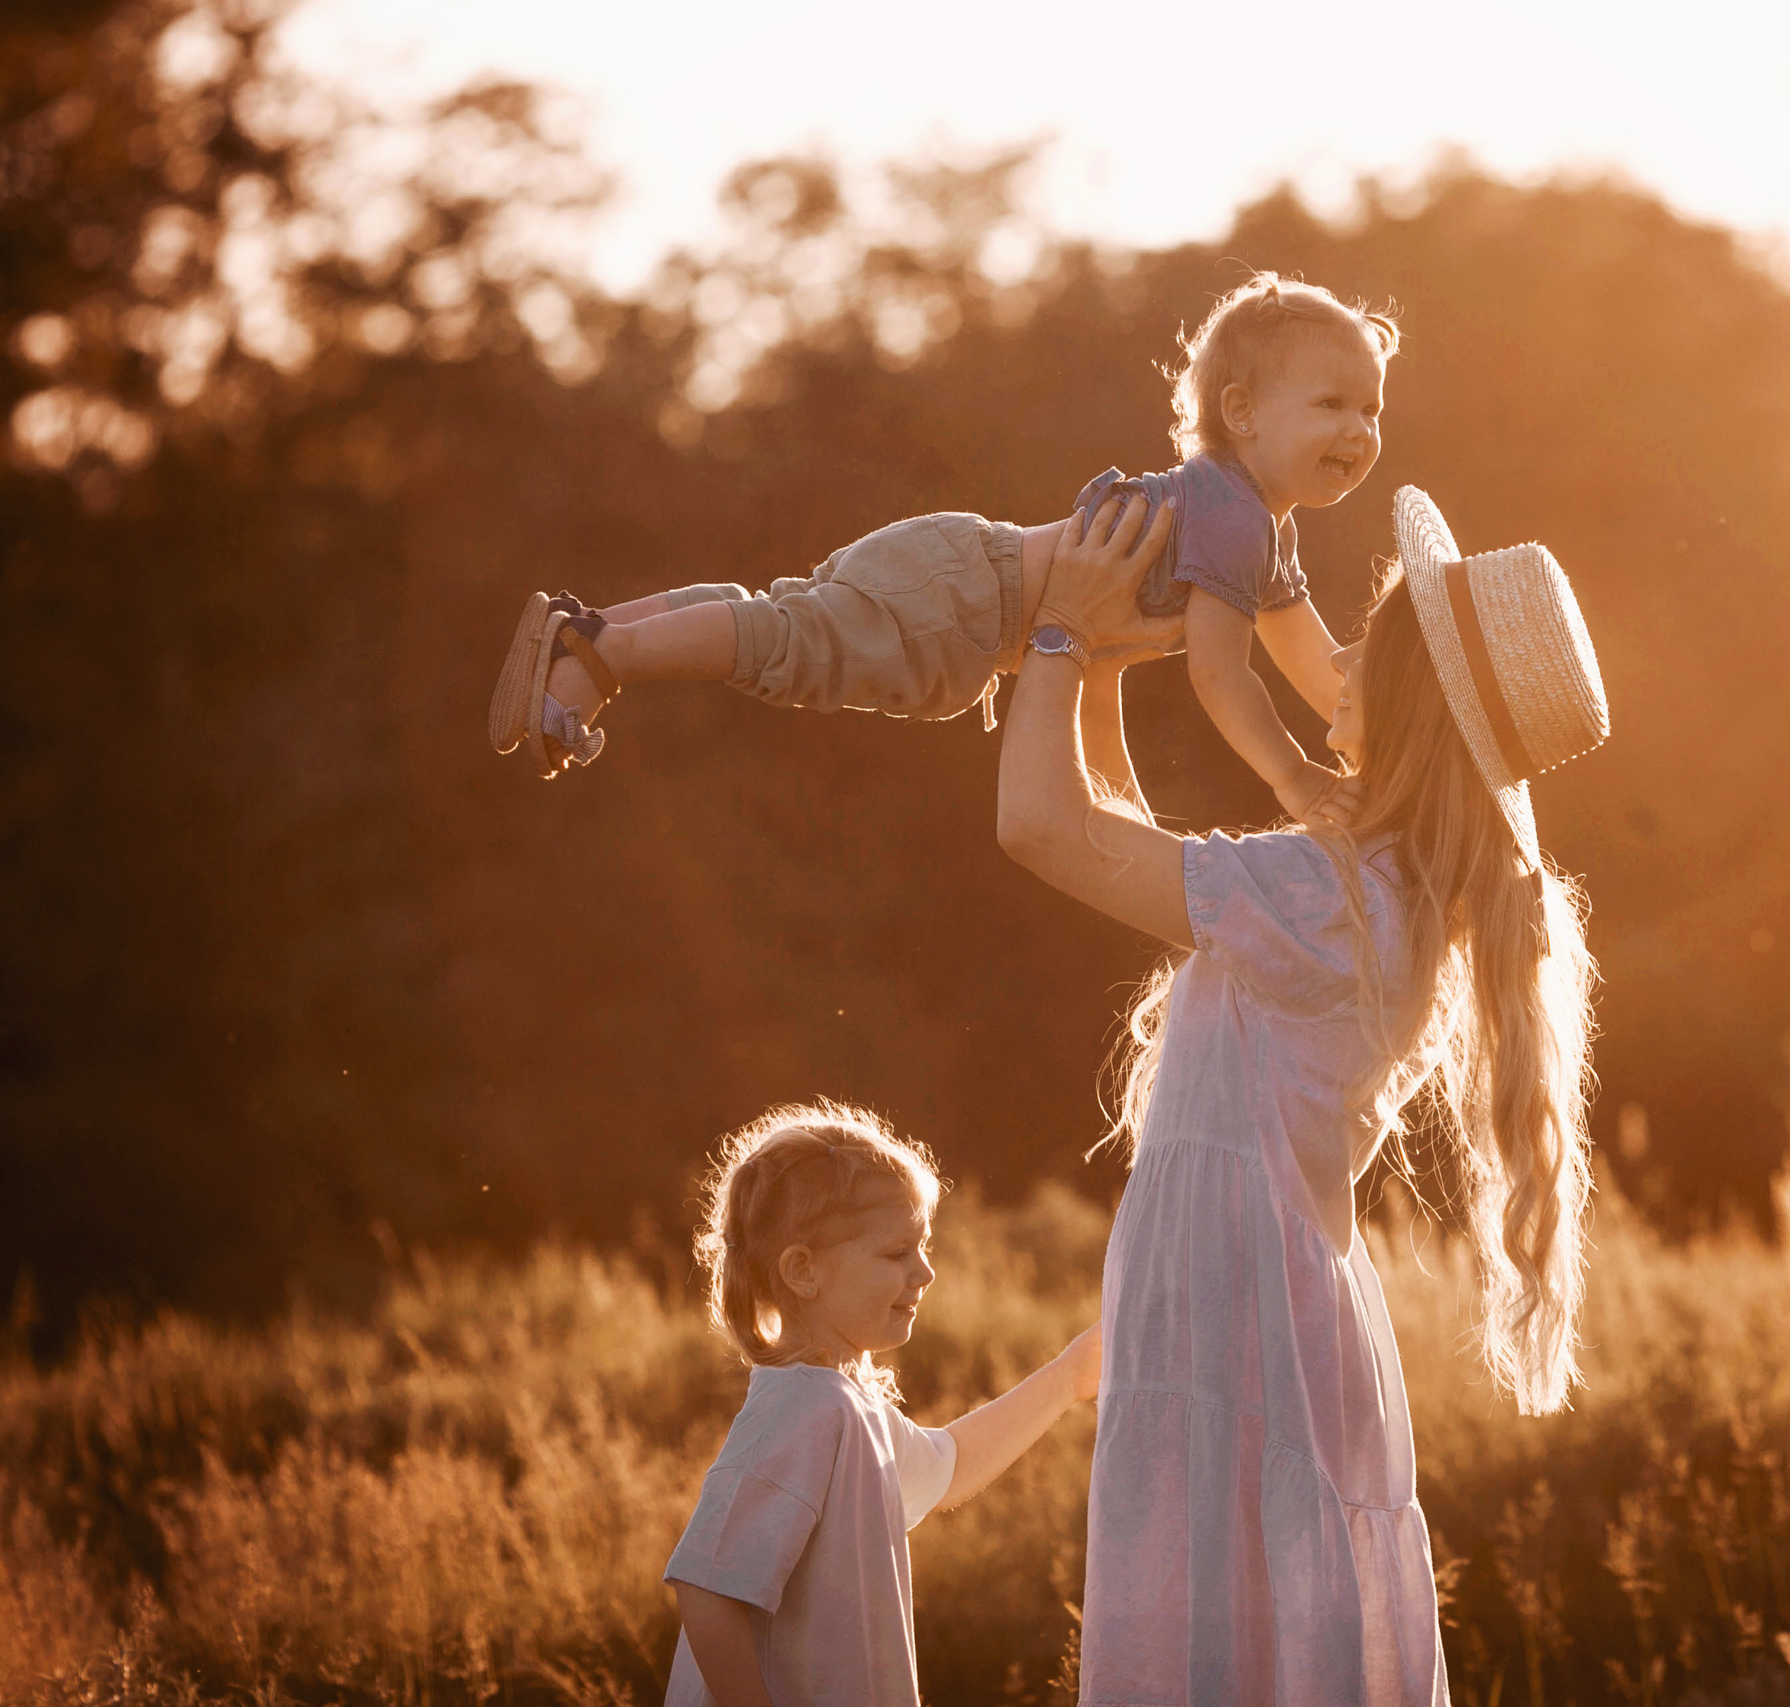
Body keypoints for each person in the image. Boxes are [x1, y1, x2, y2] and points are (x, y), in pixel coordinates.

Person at [994, 485, 1612, 1703]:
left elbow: (1038, 828)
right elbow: (1125, 849)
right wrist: (1110, 661)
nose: (1329, 663)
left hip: (1244, 1321)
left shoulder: (1333, 898)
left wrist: (1062, 633)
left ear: (1403, 699)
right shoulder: (1373, 891)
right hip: (1265, 1309)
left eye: (1359, 648)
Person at [486, 273, 1395, 827]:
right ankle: (600, 655)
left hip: (964, 571)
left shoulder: (1257, 529)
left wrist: (1384, 746)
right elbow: (1222, 676)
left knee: (784, 618)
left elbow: (1314, 666)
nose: (1358, 428)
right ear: (1241, 413)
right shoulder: (1234, 519)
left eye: (1371, 409)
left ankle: (594, 625)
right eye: (1332, 404)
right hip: (970, 600)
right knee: (792, 645)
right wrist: (1298, 781)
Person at [663, 1100, 1102, 1707]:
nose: (924, 1273)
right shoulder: (806, 1409)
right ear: (802, 1271)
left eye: (922, 1247)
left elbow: (949, 1466)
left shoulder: (846, 1407)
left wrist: (1067, 1377)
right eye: (897, 1253)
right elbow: (707, 1592)